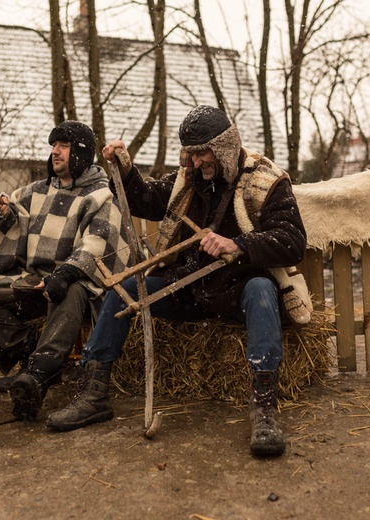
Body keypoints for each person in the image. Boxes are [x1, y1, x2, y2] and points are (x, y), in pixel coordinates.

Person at [47, 105, 313, 458]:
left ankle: (264, 411)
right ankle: (93, 395)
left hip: (238, 288)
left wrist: (238, 244)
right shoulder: (188, 178)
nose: (194, 161)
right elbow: (146, 199)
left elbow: (293, 241)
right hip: (188, 286)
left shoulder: (267, 180)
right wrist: (125, 170)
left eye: (202, 153)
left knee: (263, 291)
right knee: (125, 291)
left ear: (224, 148)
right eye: (189, 153)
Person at [0, 120, 129, 421]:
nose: (55, 152)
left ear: (80, 152)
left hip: (69, 282)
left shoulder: (100, 195)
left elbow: (98, 241)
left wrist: (65, 274)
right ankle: (25, 357)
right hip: (31, 280)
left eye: (63, 145)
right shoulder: (33, 191)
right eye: (53, 145)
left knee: (74, 288)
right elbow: (15, 226)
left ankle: (39, 375)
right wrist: (2, 213)